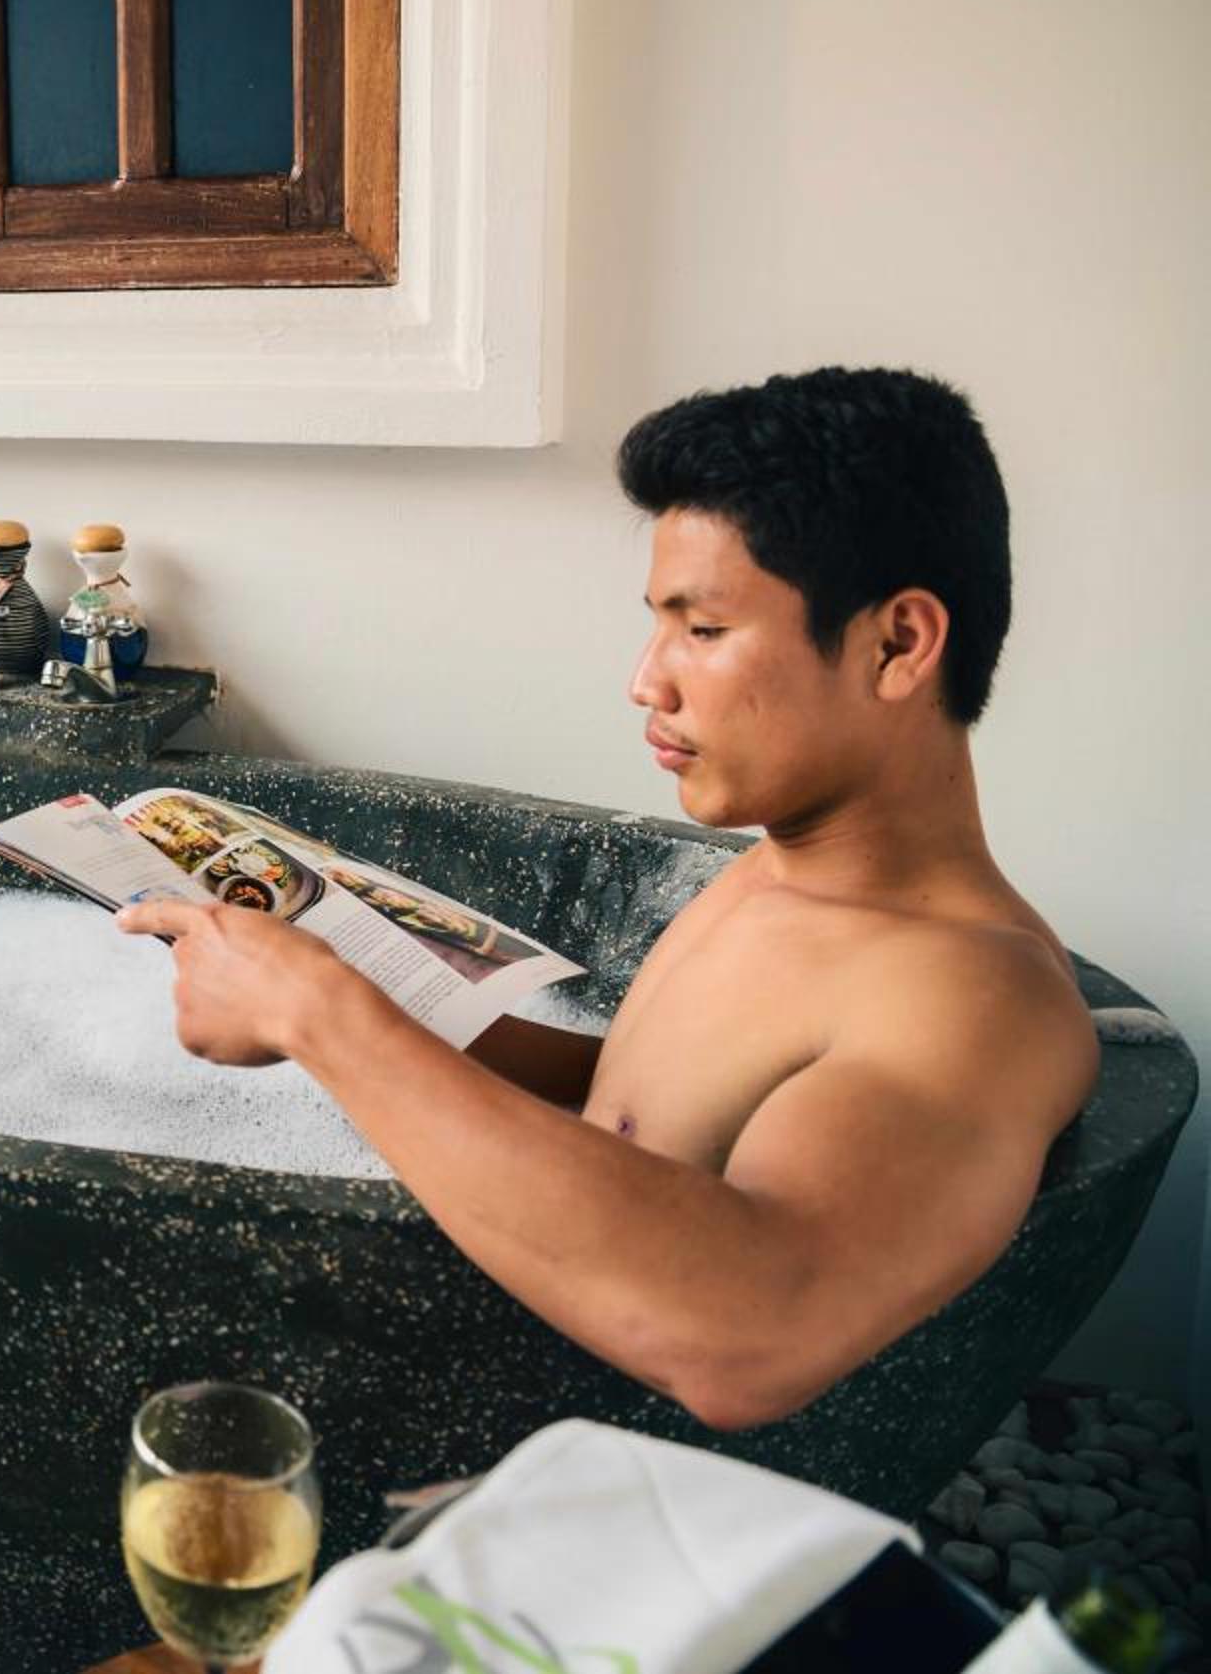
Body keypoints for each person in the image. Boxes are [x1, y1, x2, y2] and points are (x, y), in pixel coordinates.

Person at [122, 367, 1095, 1429]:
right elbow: (652, 1110)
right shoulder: (775, 875)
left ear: (898, 643)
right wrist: (358, 985)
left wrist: (321, 1013)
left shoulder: (974, 995)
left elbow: (759, 1328)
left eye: (703, 630)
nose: (647, 681)